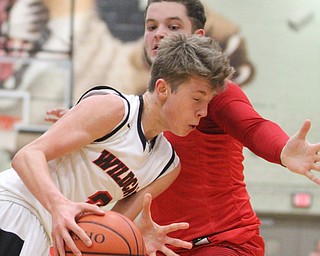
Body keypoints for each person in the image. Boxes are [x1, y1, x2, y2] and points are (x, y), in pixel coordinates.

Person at [45, 0, 320, 255]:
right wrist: (84, 124)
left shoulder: (216, 93)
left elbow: (253, 127)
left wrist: (282, 150)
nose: (159, 34)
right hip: (165, 244)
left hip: (223, 241)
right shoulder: (141, 103)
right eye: (151, 26)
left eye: (173, 27)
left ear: (198, 38)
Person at [0, 33, 234, 256]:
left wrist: (134, 239)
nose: (203, 112)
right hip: (15, 205)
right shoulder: (115, 110)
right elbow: (28, 155)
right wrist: (58, 205)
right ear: (163, 88)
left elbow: (115, 223)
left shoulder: (167, 165)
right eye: (197, 98)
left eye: (207, 102)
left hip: (46, 231)